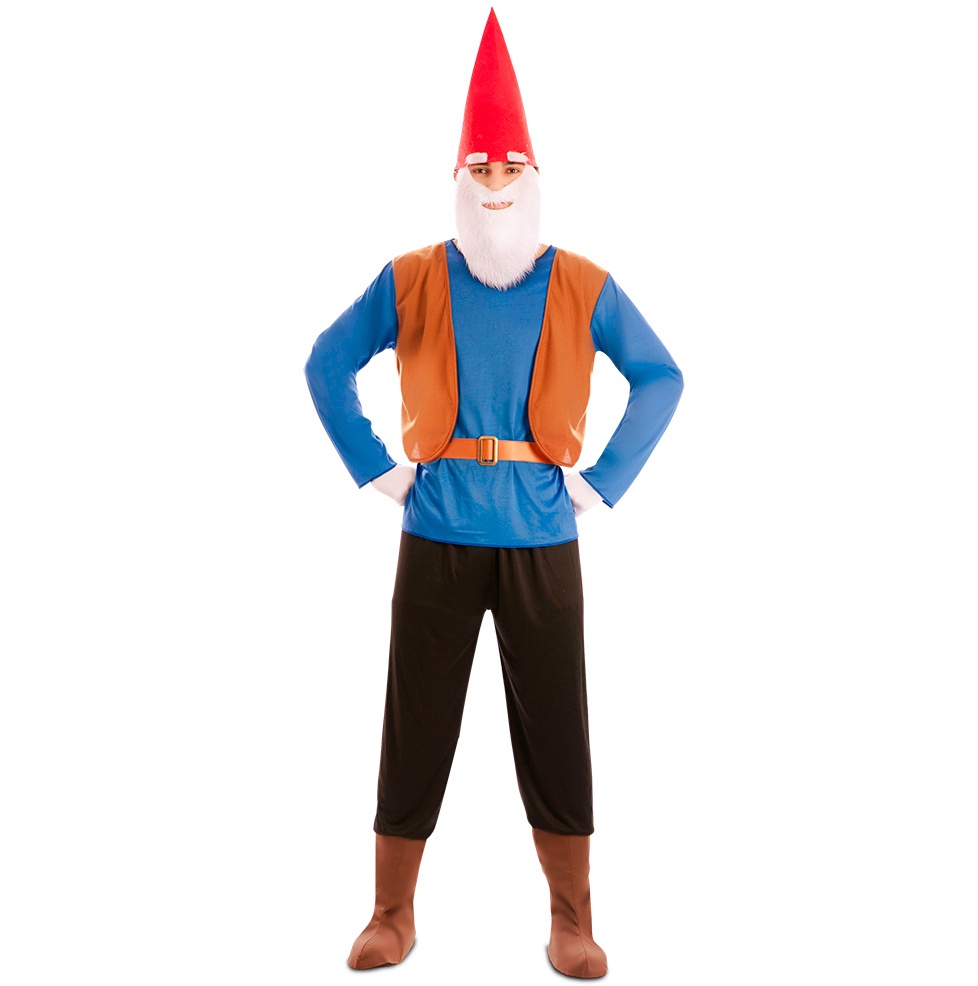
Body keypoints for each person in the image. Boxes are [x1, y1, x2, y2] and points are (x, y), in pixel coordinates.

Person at [304, 9, 683, 979]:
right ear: (458, 179)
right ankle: (391, 911)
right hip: (435, 530)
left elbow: (661, 376)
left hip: (542, 538)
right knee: (415, 720)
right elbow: (325, 363)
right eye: (481, 167)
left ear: (535, 178)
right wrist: (378, 468)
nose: (496, 181)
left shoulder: (584, 284)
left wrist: (601, 483)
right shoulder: (411, 277)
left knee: (556, 725)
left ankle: (571, 917)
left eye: (511, 166)